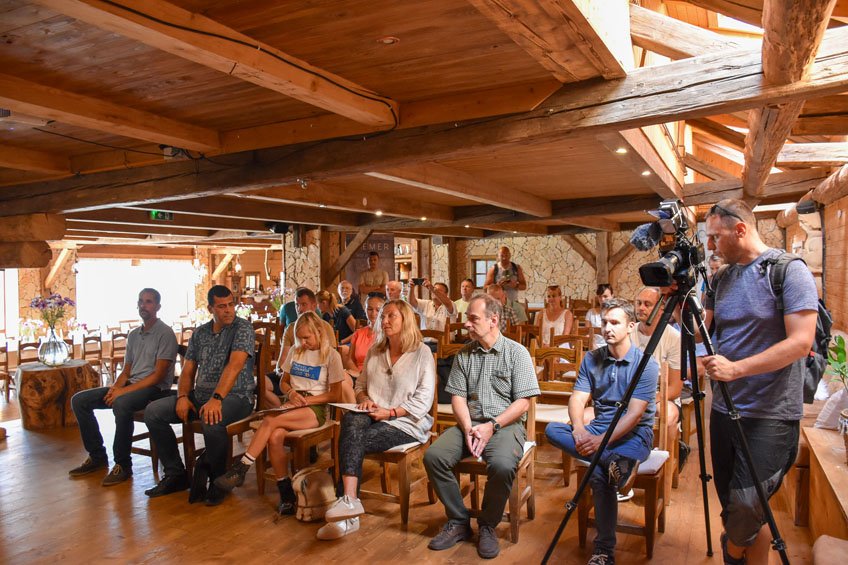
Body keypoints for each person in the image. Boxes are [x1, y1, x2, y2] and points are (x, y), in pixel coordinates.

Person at [702, 199, 817, 565]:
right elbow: (703, 330)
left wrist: (736, 369)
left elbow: (801, 342)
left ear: (740, 229)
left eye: (715, 237)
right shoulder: (722, 277)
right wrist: (676, 301)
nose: (710, 246)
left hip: (770, 414)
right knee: (745, 508)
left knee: (744, 508)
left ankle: (732, 555)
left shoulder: (787, 271)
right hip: (724, 410)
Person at [423, 294, 540, 559]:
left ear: (493, 320)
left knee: (501, 465)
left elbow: (523, 402)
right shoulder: (464, 354)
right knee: (434, 457)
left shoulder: (516, 352)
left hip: (506, 425)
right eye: (467, 319)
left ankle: (487, 524)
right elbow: (457, 397)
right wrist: (466, 428)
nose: (467, 324)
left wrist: (492, 426)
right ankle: (459, 520)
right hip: (471, 424)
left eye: (473, 319)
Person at [545, 299, 658, 565]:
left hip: (634, 435)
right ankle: (616, 465)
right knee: (552, 429)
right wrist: (580, 430)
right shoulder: (592, 358)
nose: (607, 328)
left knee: (598, 476)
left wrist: (597, 442)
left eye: (615, 323)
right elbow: (577, 399)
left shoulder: (646, 364)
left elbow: (635, 415)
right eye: (605, 322)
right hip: (598, 427)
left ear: (631, 326)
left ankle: (604, 552)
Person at [316, 300, 435, 540]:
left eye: (391, 316)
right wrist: (364, 399)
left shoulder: (421, 353)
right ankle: (349, 503)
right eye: (383, 316)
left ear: (406, 320)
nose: (385, 320)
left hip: (407, 422)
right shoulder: (375, 350)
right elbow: (360, 385)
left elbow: (423, 402)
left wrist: (390, 413)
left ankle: (347, 511)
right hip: (373, 415)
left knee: (352, 440)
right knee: (351, 422)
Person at [214, 312, 344, 515]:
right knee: (275, 436)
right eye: (299, 337)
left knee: (269, 419)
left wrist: (307, 400)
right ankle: (286, 493)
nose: (303, 342)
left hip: (315, 408)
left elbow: (335, 393)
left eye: (307, 337)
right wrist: (291, 393)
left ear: (319, 332)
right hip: (293, 402)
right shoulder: (296, 350)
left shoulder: (331, 355)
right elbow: (283, 382)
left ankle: (241, 468)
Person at [143, 285, 255, 505]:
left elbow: (234, 366)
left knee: (212, 419)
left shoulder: (242, 328)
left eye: (231, 304)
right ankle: (176, 474)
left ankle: (217, 480)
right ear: (210, 308)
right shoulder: (201, 333)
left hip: (237, 396)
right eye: (222, 306)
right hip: (200, 395)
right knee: (153, 412)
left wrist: (217, 399)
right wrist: (183, 396)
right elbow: (188, 368)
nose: (229, 310)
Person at [69, 288, 178, 486]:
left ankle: (123, 465)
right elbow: (126, 371)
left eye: (149, 302)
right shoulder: (134, 335)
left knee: (121, 404)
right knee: (79, 400)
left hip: (155, 390)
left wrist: (122, 393)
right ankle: (97, 455)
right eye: (141, 301)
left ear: (158, 307)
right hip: (131, 386)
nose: (143, 305)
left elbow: (158, 376)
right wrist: (115, 389)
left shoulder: (165, 333)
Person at [631, 287, 684, 471]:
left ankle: (662, 470)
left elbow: (675, 388)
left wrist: (647, 400)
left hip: (661, 397)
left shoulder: (674, 337)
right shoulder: (628, 333)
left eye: (647, 304)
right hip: (630, 396)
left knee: (667, 415)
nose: (641, 308)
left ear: (661, 308)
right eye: (638, 303)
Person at [264, 287, 339, 408]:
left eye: (303, 304)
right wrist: (283, 373)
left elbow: (330, 364)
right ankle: (279, 408)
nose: (299, 309)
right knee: (261, 383)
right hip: (291, 375)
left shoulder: (325, 328)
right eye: (296, 305)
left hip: (313, 382)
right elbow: (282, 360)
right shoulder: (291, 328)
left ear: (314, 305)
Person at [342, 293, 385, 379]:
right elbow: (350, 360)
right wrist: (360, 376)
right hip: (357, 374)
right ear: (365, 310)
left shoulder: (387, 334)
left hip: (378, 376)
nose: (373, 313)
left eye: (378, 310)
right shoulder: (358, 333)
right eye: (370, 309)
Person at [586, 284, 614, 349]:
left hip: (612, 347)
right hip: (594, 347)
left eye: (605, 296)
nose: (602, 299)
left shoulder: (617, 313)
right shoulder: (590, 313)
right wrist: (595, 349)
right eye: (600, 296)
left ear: (612, 296)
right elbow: (587, 334)